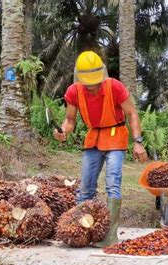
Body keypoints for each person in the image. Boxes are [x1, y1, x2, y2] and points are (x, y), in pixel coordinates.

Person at [53, 51, 148, 247]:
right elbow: (70, 120)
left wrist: (137, 141)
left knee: (113, 184)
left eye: (95, 84)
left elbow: (132, 113)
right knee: (86, 188)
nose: (93, 88)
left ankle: (110, 236)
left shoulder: (115, 87)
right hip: (93, 137)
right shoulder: (73, 91)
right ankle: (79, 231)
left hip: (115, 136)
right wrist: (64, 131)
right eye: (89, 84)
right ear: (80, 78)